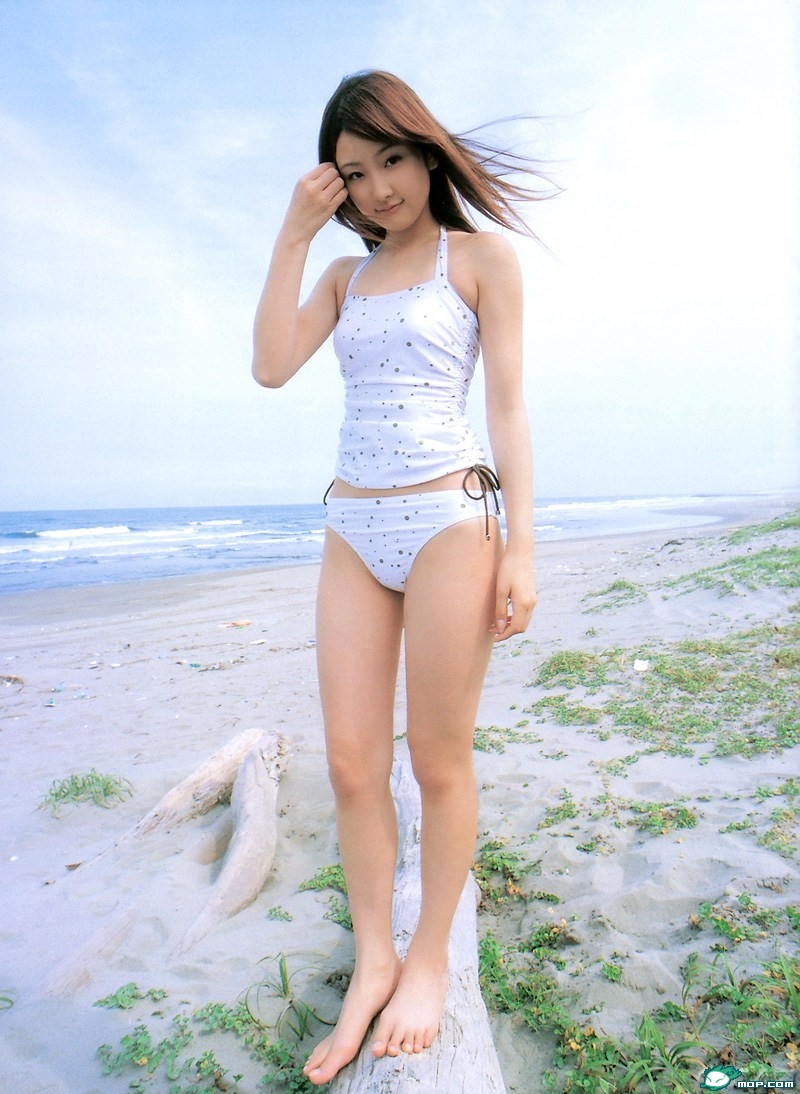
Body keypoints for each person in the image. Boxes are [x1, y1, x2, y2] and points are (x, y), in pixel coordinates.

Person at [252, 70, 545, 1086]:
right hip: (351, 525)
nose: (378, 187)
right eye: (353, 172)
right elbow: (270, 366)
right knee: (349, 764)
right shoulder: (343, 277)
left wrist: (522, 546)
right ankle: (374, 955)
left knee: (437, 760)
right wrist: (293, 238)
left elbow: (506, 406)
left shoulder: (479, 257)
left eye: (391, 159)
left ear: (425, 151)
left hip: (448, 522)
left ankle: (428, 961)